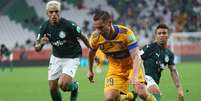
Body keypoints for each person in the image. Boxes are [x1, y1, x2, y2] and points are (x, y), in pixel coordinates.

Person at [87, 10, 156, 101]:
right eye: (96, 28)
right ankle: (130, 96)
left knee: (142, 93)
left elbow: (136, 57)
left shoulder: (126, 33)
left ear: (109, 23)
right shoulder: (95, 37)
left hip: (132, 65)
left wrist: (134, 75)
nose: (98, 31)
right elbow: (91, 53)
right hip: (115, 68)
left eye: (101, 27)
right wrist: (90, 70)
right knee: (109, 98)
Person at [34, 1, 91, 101]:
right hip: (56, 57)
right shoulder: (44, 27)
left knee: (63, 85)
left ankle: (75, 87)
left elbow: (83, 37)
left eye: (56, 11)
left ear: (60, 12)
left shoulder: (69, 25)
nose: (54, 14)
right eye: (51, 12)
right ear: (47, 13)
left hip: (72, 57)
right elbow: (37, 48)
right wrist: (42, 43)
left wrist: (92, 49)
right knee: (52, 88)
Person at [140, 24, 184, 101]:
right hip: (144, 78)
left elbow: (173, 71)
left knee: (156, 96)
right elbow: (136, 58)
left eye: (164, 33)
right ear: (156, 36)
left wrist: (179, 89)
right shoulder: (149, 47)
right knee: (155, 91)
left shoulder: (169, 54)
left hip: (155, 82)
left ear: (168, 35)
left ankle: (131, 95)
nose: (161, 35)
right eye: (159, 33)